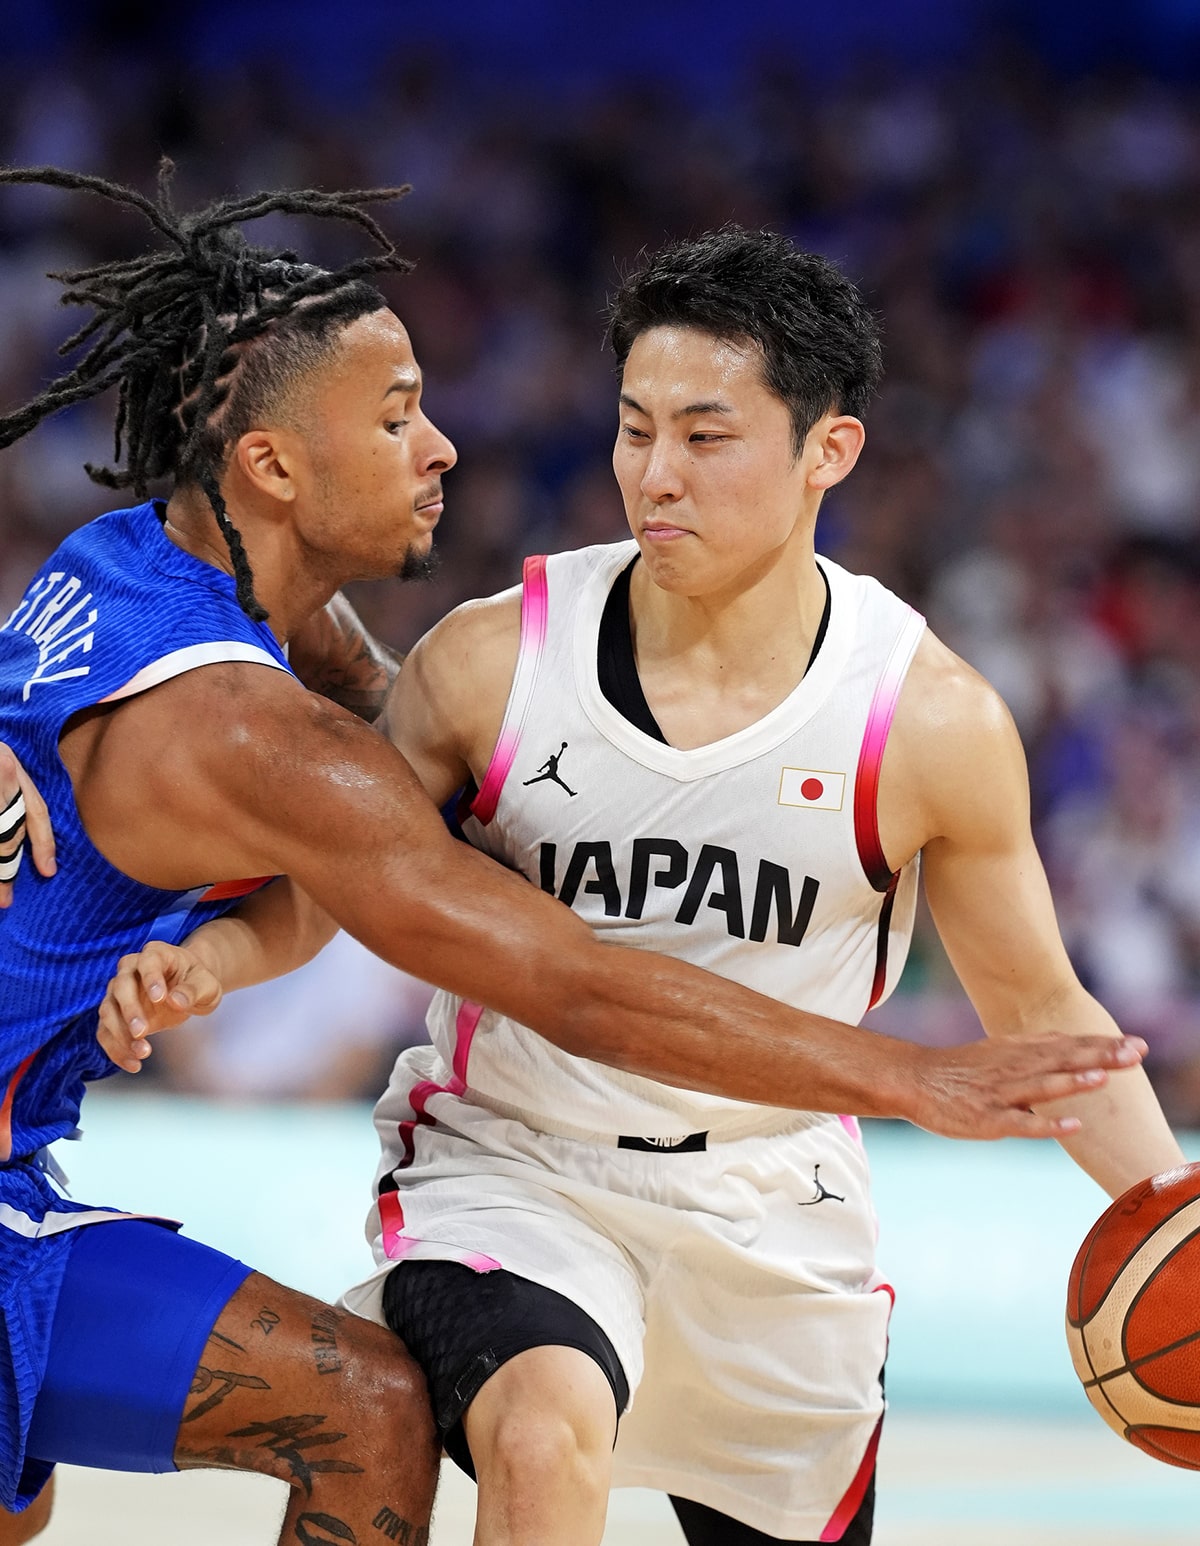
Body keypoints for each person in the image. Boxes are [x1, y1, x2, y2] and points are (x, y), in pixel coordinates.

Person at [0, 171, 1145, 1546]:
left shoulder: (128, 569)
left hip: (772, 1195)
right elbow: (547, 968)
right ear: (273, 467)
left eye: (703, 435)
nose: (445, 448)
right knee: (465, 1430)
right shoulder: (390, 690)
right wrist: (915, 1076)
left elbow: (350, 731)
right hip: (517, 1165)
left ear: (828, 451)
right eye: (395, 415)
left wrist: (1168, 1202)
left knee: (349, 1412)